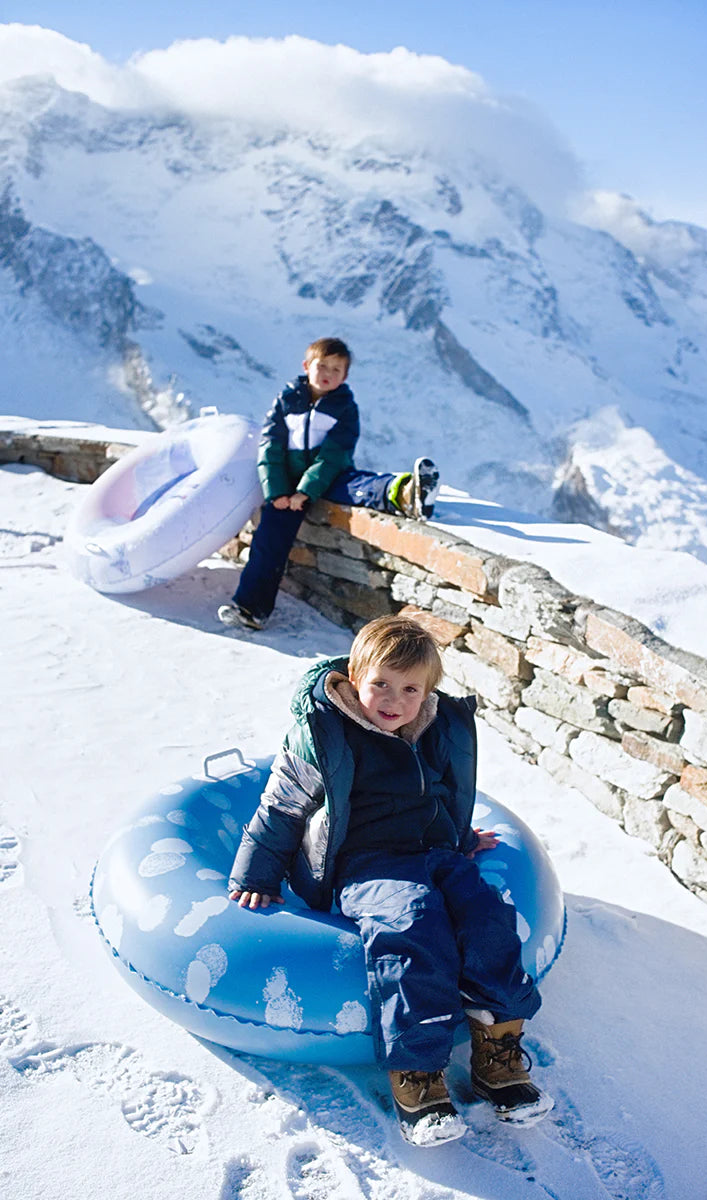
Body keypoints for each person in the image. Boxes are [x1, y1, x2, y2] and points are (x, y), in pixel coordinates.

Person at [228, 615, 553, 1146]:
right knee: (414, 925)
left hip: (433, 852)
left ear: (427, 692)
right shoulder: (326, 731)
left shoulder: (430, 727)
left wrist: (462, 835)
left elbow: (439, 794)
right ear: (355, 675)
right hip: (367, 863)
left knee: (487, 916)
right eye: (380, 682)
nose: (393, 700)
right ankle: (418, 1077)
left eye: (410, 688)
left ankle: (498, 1051)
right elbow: (283, 805)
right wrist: (258, 873)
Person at [217, 337, 439, 631]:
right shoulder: (287, 401)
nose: (328, 374)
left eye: (336, 370)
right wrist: (279, 492)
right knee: (269, 539)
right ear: (307, 366)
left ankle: (408, 493)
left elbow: (334, 453)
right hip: (287, 485)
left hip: (331, 476)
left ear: (345, 376)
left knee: (360, 488)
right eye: (322, 366)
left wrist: (306, 491)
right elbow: (270, 446)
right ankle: (251, 608)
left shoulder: (345, 407)